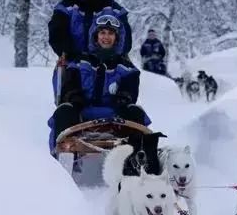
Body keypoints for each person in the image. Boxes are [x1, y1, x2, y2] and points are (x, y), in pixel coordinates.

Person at [49, 14, 164, 176]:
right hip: (82, 112)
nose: (106, 37)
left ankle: (140, 167)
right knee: (63, 111)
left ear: (117, 38)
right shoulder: (79, 62)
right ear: (95, 35)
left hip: (115, 115)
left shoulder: (126, 67)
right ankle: (59, 166)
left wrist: (124, 97)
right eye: (102, 33)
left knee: (136, 112)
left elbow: (130, 91)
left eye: (110, 34)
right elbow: (69, 86)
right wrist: (74, 96)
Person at [48, 0, 134, 62]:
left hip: (106, 65)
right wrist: (70, 54)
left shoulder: (111, 6)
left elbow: (125, 35)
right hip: (73, 65)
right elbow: (56, 33)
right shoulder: (67, 5)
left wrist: (112, 56)